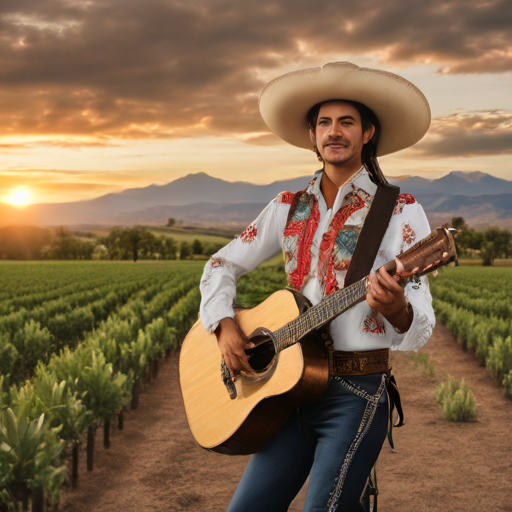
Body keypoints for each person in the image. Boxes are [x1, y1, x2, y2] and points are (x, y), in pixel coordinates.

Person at [198, 62, 436, 512]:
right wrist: (223, 324)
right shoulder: (287, 206)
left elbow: (421, 322)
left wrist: (397, 308)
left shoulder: (401, 210)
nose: (334, 131)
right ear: (312, 135)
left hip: (357, 392)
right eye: (324, 122)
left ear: (368, 133)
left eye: (347, 122)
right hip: (288, 389)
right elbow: (220, 263)